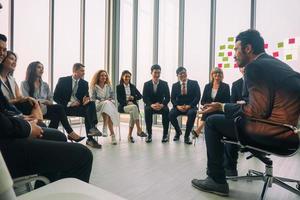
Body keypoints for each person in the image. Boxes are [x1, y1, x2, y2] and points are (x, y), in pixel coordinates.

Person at [191, 29, 300, 196]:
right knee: (227, 117)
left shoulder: (255, 67)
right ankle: (227, 169)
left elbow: (256, 112)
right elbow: (266, 105)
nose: (234, 55)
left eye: (236, 49)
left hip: (272, 132)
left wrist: (222, 106)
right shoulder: (278, 65)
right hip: (289, 133)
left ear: (248, 49)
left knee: (212, 121)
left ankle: (216, 180)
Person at [0, 33, 93, 184]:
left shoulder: (18, 80)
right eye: (8, 56)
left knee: (59, 130)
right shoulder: (24, 83)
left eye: (4, 50)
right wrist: (28, 125)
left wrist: (24, 117)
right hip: (9, 138)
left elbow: (9, 107)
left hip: (25, 115)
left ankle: (42, 185)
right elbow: (17, 102)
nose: (3, 53)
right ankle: (69, 132)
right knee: (84, 155)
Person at [20, 61, 84, 142]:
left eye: (42, 68)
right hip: (32, 111)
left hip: (44, 110)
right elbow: (27, 100)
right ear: (32, 69)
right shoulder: (24, 84)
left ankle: (49, 136)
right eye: (39, 67)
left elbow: (50, 100)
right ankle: (69, 133)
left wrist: (42, 101)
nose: (41, 70)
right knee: (58, 109)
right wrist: (43, 101)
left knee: (57, 113)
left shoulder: (45, 85)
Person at [53, 63, 102, 149]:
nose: (84, 73)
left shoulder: (84, 83)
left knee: (90, 105)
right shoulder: (63, 80)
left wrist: (86, 99)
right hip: (64, 108)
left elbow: (85, 96)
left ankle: (91, 135)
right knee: (88, 112)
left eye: (84, 71)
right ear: (75, 71)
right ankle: (91, 133)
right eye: (82, 71)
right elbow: (55, 97)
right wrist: (70, 103)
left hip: (78, 108)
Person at [0, 51, 43, 121]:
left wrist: (28, 98)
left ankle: (37, 122)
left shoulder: (12, 79)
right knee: (30, 104)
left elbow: (19, 97)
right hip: (5, 108)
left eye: (15, 60)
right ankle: (38, 123)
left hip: (14, 107)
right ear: (3, 60)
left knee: (33, 102)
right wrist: (19, 99)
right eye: (11, 59)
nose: (14, 62)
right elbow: (3, 102)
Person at [192, 67, 230, 137]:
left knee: (211, 110)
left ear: (222, 75)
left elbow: (227, 101)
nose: (217, 74)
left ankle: (198, 129)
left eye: (219, 73)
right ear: (212, 75)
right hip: (208, 108)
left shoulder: (226, 86)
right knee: (210, 110)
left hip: (220, 109)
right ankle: (199, 129)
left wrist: (216, 104)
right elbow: (203, 100)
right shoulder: (207, 86)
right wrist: (206, 105)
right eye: (215, 73)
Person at [169, 67, 201, 145]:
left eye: (184, 72)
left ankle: (186, 136)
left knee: (191, 113)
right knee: (170, 114)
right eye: (180, 73)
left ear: (186, 73)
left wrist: (189, 106)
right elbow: (172, 98)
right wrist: (177, 106)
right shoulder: (175, 85)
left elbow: (198, 96)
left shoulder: (194, 83)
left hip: (191, 106)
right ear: (177, 75)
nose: (183, 74)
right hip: (179, 107)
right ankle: (178, 131)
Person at [116, 70, 147, 143]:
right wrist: (127, 101)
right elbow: (119, 99)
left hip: (132, 107)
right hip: (123, 106)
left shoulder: (132, 86)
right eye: (126, 76)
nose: (127, 78)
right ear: (122, 77)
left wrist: (133, 98)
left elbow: (140, 96)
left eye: (129, 77)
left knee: (133, 110)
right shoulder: (119, 87)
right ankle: (139, 129)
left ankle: (129, 136)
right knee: (134, 107)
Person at [89, 70, 119, 145]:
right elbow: (92, 99)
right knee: (107, 105)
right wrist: (103, 100)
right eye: (102, 75)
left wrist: (109, 100)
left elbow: (112, 97)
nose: (104, 77)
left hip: (108, 105)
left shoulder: (108, 86)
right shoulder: (94, 86)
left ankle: (106, 128)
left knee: (107, 105)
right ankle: (112, 135)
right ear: (98, 77)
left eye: (105, 75)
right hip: (98, 106)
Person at [142, 64, 170, 143]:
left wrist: (162, 104)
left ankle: (165, 134)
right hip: (151, 105)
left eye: (159, 73)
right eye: (155, 72)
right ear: (151, 72)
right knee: (147, 110)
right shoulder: (146, 84)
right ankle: (149, 134)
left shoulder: (164, 84)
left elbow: (168, 97)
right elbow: (145, 98)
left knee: (166, 110)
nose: (157, 75)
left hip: (161, 105)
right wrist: (151, 105)